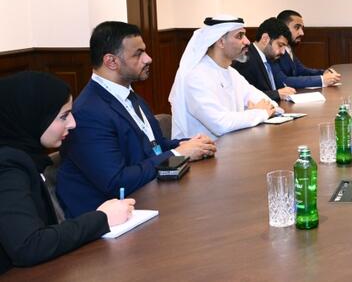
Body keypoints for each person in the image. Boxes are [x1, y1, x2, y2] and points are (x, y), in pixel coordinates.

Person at [58, 22, 216, 217]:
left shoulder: (128, 93)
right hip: (110, 220)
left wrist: (189, 144)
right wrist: (177, 153)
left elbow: (154, 146)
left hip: (147, 199)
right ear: (111, 61)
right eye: (138, 54)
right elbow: (116, 182)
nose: (148, 59)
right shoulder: (88, 113)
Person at [0, 72, 135, 274]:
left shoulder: (25, 157)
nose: (73, 123)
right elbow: (29, 245)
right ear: (32, 116)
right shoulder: (7, 165)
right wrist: (102, 218)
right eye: (63, 116)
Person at [169, 15, 278, 140]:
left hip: (233, 145)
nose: (247, 41)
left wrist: (256, 112)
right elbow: (221, 124)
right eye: (240, 36)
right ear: (221, 42)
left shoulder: (232, 73)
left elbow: (271, 104)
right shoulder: (195, 76)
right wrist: (258, 113)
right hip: (206, 150)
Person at [271, 9, 342, 89]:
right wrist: (322, 80)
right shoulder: (273, 50)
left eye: (302, 28)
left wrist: (324, 73)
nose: (302, 33)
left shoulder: (288, 47)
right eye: (297, 27)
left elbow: (302, 70)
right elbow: (284, 81)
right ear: (283, 28)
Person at [232, 17, 296, 103]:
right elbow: (245, 97)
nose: (283, 52)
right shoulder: (246, 60)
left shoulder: (268, 58)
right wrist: (277, 94)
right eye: (280, 45)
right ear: (265, 39)